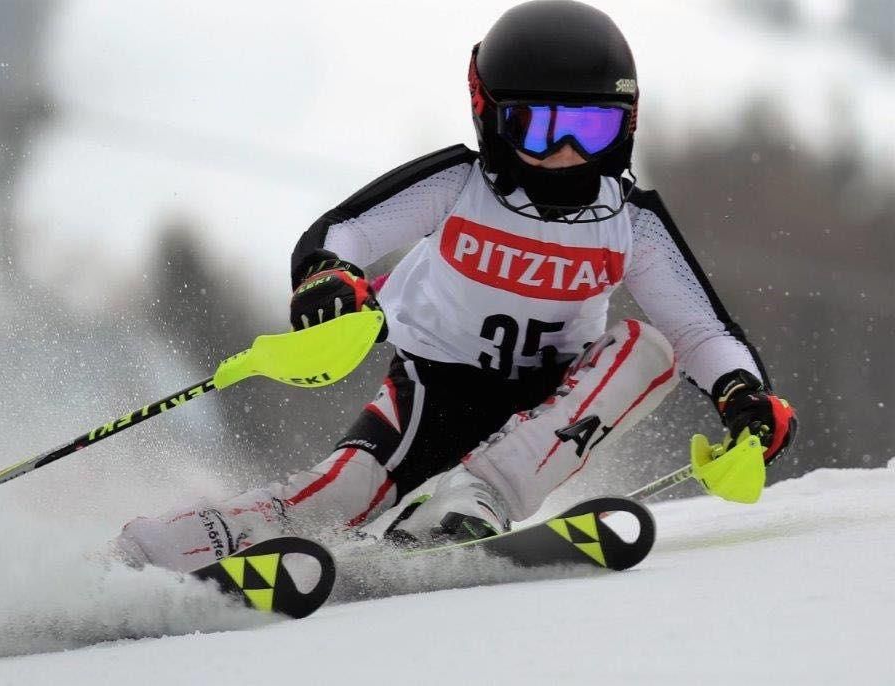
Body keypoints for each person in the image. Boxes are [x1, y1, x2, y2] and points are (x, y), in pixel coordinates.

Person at [113, 0, 796, 572]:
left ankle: (475, 500)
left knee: (651, 349)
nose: (566, 152)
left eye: (591, 127)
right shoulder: (461, 185)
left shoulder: (632, 223)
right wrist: (329, 278)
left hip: (552, 404)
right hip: (431, 390)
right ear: (490, 116)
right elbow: (342, 232)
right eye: (537, 127)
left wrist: (744, 396)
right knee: (331, 503)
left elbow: (701, 330)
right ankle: (148, 557)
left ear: (626, 125)